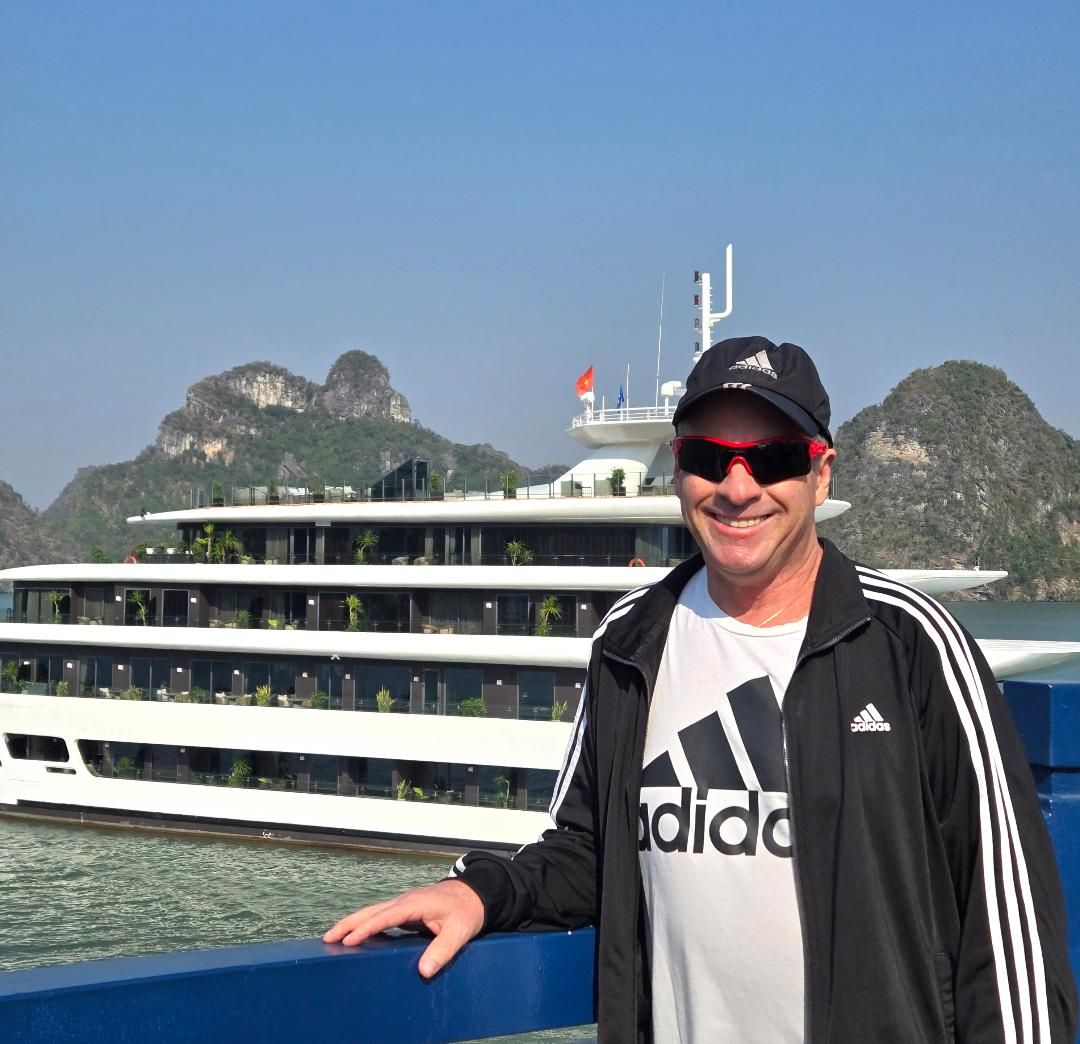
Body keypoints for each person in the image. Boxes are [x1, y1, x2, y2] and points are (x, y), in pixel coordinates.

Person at [326, 336, 1077, 1043]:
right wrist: (480, 892)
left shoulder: (908, 643)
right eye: (709, 458)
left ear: (821, 474)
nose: (738, 488)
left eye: (774, 458)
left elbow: (1004, 914)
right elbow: (588, 846)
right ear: (679, 470)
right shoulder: (632, 641)